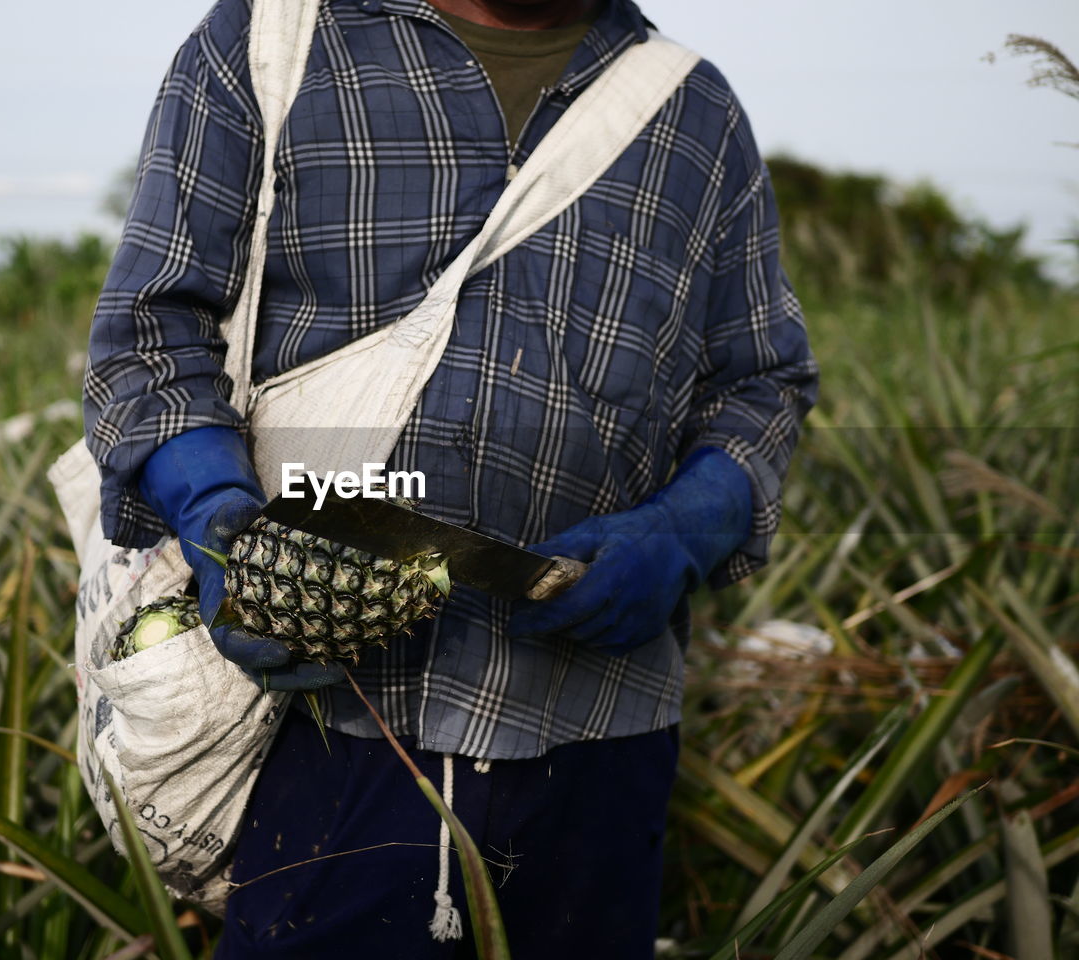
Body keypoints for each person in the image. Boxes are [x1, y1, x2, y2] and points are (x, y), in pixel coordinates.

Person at [83, 0, 818, 956]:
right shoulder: (270, 39)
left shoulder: (692, 111)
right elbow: (150, 335)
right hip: (319, 717)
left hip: (601, 734)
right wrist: (218, 511)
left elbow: (761, 381)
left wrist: (686, 528)